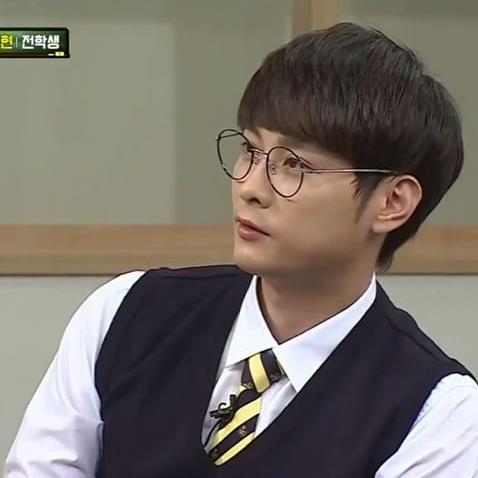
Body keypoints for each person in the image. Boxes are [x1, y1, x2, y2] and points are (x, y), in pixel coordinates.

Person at [5, 22, 478, 478]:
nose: (250, 187)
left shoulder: (437, 417)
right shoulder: (124, 313)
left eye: (294, 165)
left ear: (392, 203)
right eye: (251, 150)